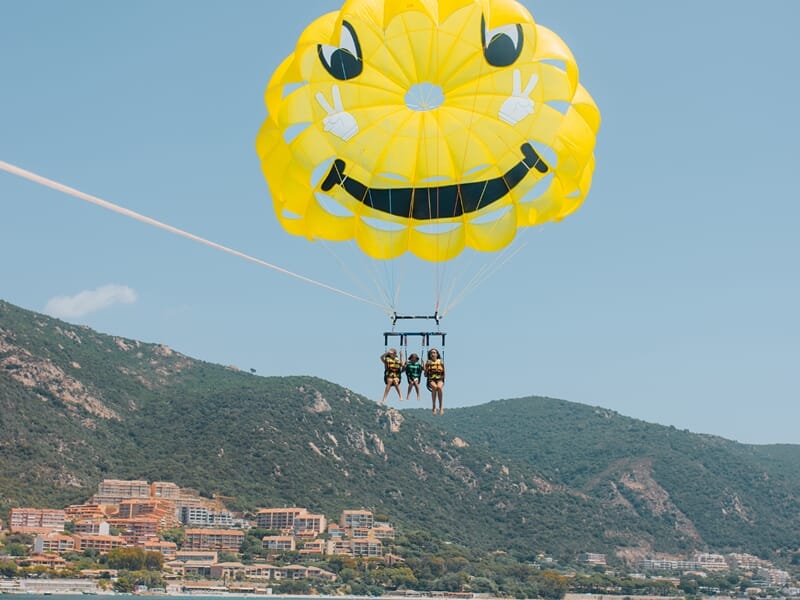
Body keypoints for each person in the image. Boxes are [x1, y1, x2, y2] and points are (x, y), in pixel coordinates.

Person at [424, 348, 445, 415]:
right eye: (431, 353)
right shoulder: (428, 362)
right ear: (430, 355)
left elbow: (444, 372)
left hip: (440, 378)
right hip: (431, 379)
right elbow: (425, 375)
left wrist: (443, 378)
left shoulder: (440, 362)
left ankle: (441, 407)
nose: (433, 354)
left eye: (434, 353)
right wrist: (426, 367)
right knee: (435, 387)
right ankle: (434, 406)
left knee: (439, 387)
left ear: (437, 354)